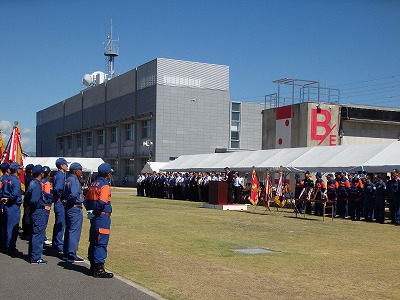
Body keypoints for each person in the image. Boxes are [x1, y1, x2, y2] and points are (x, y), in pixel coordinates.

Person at [84, 162, 114, 278]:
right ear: (107, 174)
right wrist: (96, 212)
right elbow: (102, 202)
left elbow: (86, 200)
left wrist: (91, 212)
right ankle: (99, 268)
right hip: (102, 216)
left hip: (94, 216)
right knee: (101, 241)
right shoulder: (104, 185)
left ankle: (93, 265)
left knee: (94, 240)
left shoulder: (93, 184)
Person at [25, 164, 47, 264]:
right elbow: (34, 199)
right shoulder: (36, 184)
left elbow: (27, 198)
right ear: (41, 173)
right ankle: (36, 257)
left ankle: (32, 255)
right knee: (38, 234)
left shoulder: (32, 183)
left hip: (34, 211)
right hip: (38, 211)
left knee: (34, 233)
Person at [63, 162, 84, 263]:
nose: (81, 172)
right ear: (76, 171)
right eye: (80, 170)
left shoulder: (67, 179)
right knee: (74, 231)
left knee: (69, 230)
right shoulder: (74, 180)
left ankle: (66, 253)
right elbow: (74, 195)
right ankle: (71, 254)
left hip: (69, 208)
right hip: (75, 207)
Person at [1, 162, 24, 256]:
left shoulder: (7, 179)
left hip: (7, 205)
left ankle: (7, 246)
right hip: (13, 205)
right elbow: (14, 194)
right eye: (20, 168)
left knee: (7, 227)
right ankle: (10, 248)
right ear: (16, 170)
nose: (21, 170)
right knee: (12, 228)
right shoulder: (16, 181)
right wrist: (9, 198)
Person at [52, 158, 68, 254]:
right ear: (62, 166)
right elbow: (58, 188)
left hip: (58, 201)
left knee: (59, 223)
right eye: (66, 164)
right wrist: (62, 197)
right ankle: (58, 244)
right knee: (60, 223)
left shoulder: (58, 175)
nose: (67, 166)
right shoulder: (60, 175)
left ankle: (56, 242)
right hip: (60, 202)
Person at [41, 166, 53, 246]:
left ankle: (43, 237)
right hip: (46, 205)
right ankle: (43, 238)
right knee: (44, 223)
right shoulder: (47, 183)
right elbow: (48, 194)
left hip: (41, 204)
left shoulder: (41, 181)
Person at [22, 163, 34, 238]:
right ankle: (27, 231)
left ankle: (25, 230)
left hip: (26, 197)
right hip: (29, 198)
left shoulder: (24, 178)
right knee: (29, 215)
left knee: (25, 214)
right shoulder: (31, 180)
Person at [0, 162, 10, 252]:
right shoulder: (6, 179)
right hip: (4, 202)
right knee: (5, 225)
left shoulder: (1, 178)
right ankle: (4, 244)